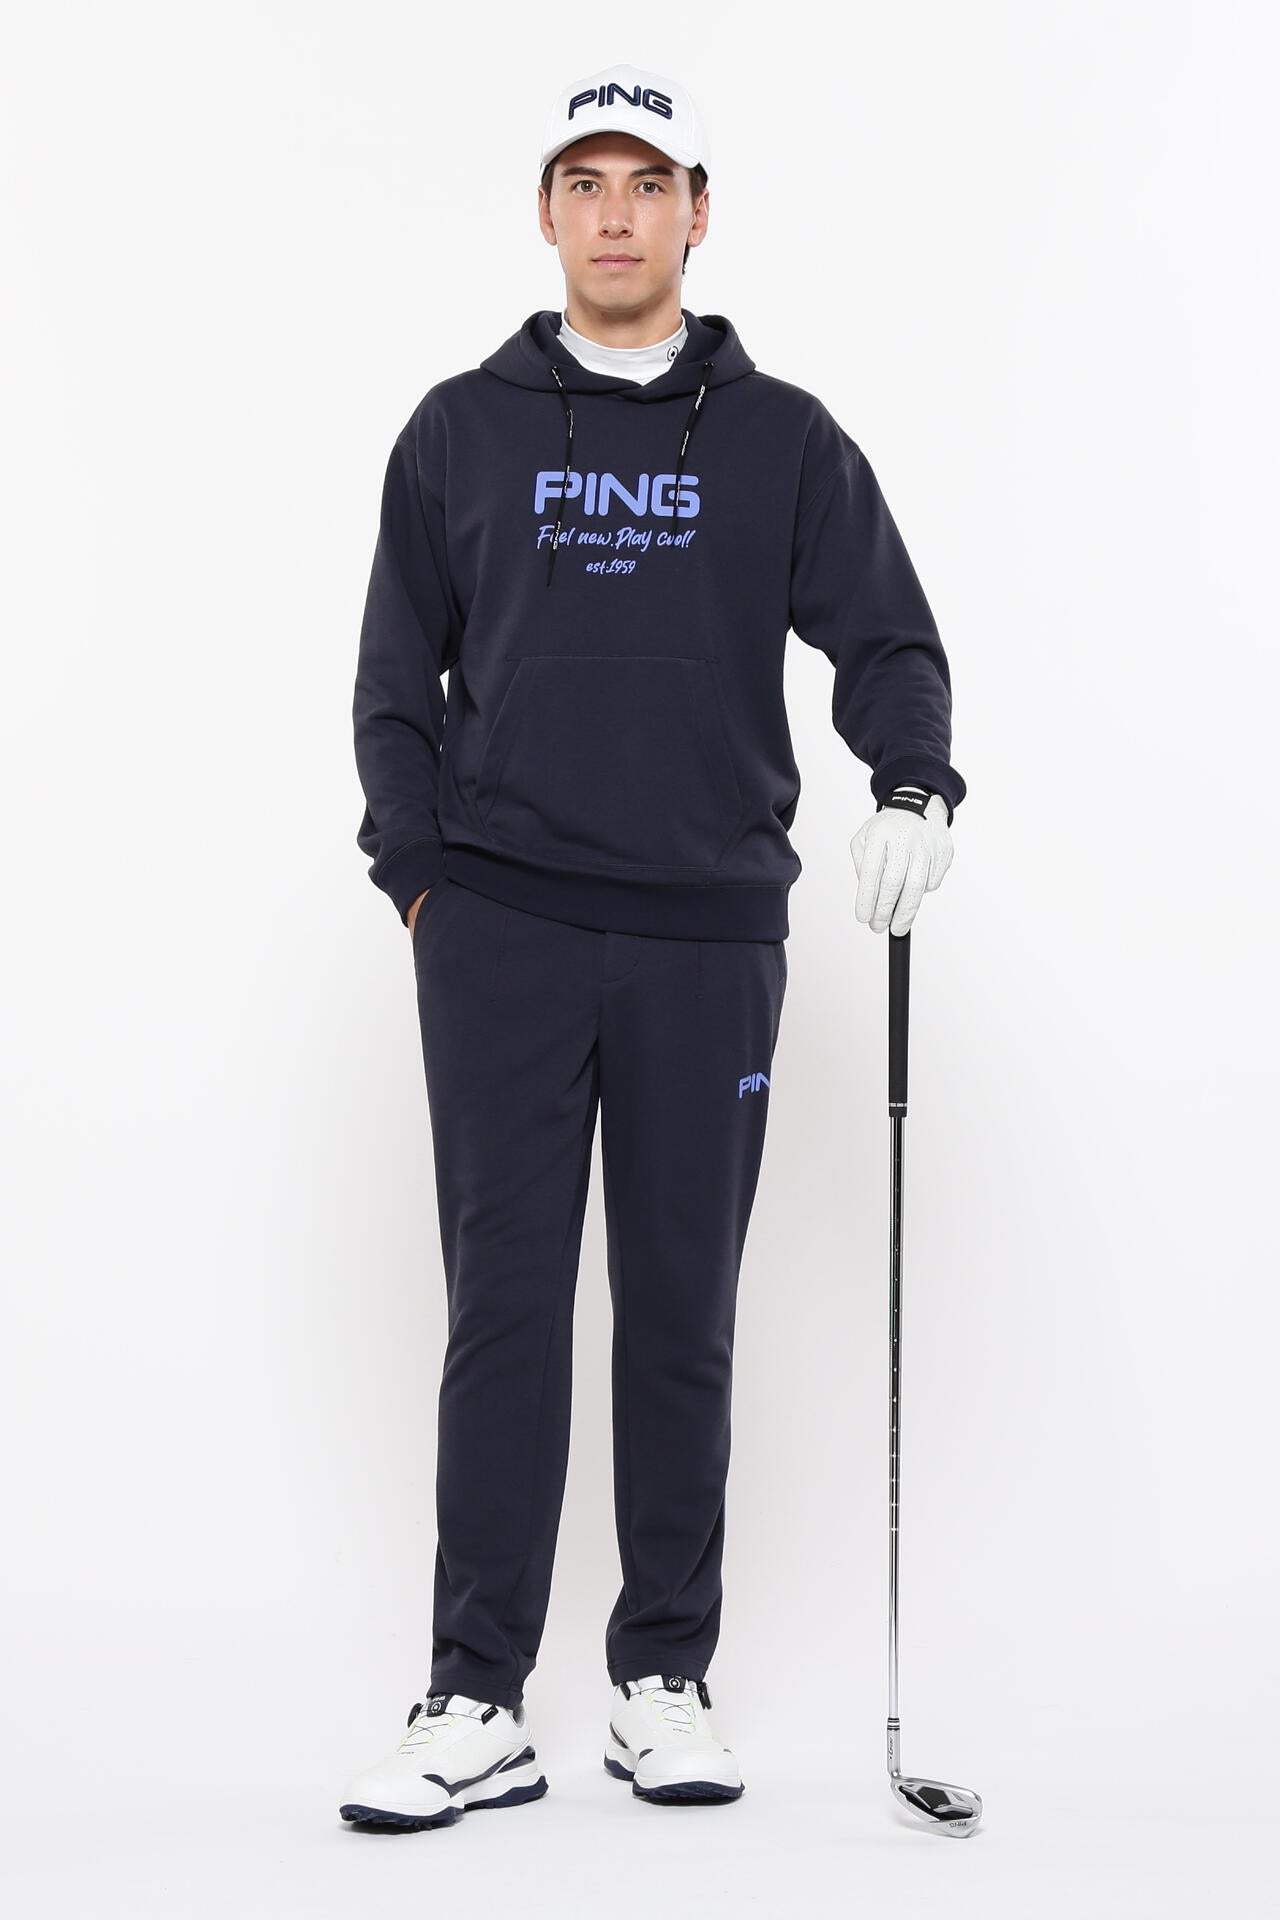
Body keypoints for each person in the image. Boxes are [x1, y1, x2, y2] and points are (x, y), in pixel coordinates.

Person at [338, 61, 965, 1834]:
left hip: (707, 935)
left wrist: (914, 788)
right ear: (546, 214)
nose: (616, 216)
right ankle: (476, 1696)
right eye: (585, 184)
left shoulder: (786, 441)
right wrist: (423, 879)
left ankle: (662, 1679)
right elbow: (392, 683)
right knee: (505, 1309)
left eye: (647, 185)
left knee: (681, 1310)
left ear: (699, 214)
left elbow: (889, 640)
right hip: (505, 926)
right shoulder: (458, 431)